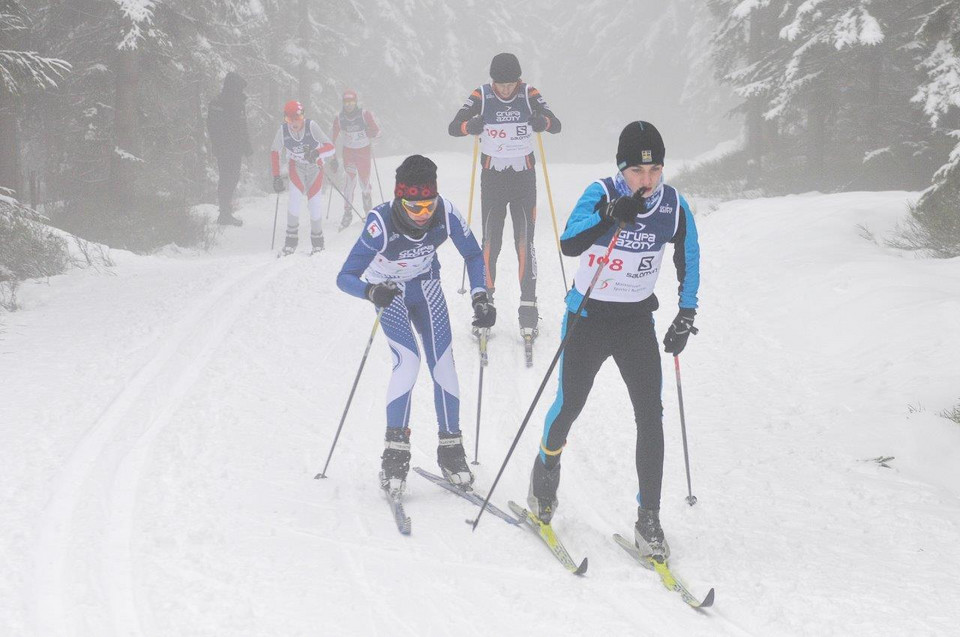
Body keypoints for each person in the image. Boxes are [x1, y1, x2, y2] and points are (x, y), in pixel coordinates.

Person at [526, 121, 700, 562]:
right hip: (587, 317)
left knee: (650, 413)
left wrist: (686, 313)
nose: (647, 180)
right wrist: (609, 216)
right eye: (638, 172)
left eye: (655, 170)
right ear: (621, 168)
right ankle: (545, 474)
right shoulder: (601, 193)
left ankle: (649, 519)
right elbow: (568, 242)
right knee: (569, 405)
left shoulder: (674, 206)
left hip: (634, 322)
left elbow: (689, 258)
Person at [336, 155, 495, 495]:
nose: (423, 215)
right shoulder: (380, 223)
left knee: (444, 364)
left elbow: (473, 254)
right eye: (414, 207)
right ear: (399, 199)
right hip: (389, 291)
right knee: (408, 363)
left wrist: (481, 296)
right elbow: (344, 277)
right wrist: (370, 291)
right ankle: (395, 455)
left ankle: (451, 450)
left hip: (425, 287)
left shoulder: (446, 213)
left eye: (429, 205)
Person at [448, 52, 561, 339]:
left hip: (523, 178)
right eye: (501, 84)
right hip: (493, 178)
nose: (507, 90)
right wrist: (468, 126)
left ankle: (528, 309)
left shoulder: (528, 93)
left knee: (524, 243)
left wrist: (542, 122)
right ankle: (484, 307)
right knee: (490, 243)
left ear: (519, 80)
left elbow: (555, 123)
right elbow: (453, 127)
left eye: (511, 84)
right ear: (493, 81)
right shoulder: (482, 95)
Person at [270, 100, 336, 255]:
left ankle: (318, 242)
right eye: (289, 119)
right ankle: (291, 241)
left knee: (314, 204)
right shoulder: (283, 131)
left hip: (315, 167)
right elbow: (274, 152)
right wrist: (276, 177)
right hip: (296, 167)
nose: (293, 123)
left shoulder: (311, 126)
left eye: (297, 119)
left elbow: (331, 148)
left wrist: (316, 153)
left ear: (303, 117)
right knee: (294, 199)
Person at [330, 89, 382, 230]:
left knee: (364, 183)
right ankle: (347, 214)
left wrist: (369, 131)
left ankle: (368, 211)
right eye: (346, 102)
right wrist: (333, 158)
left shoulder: (365, 114)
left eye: (351, 102)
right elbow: (332, 139)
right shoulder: (339, 118)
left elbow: (377, 132)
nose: (348, 105)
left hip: (363, 152)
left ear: (356, 102)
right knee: (350, 182)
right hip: (349, 153)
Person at [207, 72, 252, 226]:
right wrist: (220, 145)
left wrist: (247, 145)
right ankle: (224, 214)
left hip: (235, 148)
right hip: (225, 148)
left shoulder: (238, 102)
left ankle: (226, 211)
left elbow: (242, 125)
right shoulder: (218, 103)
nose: (241, 90)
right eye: (239, 87)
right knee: (227, 178)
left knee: (232, 178)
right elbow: (213, 127)